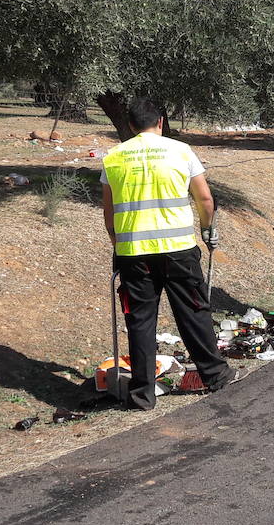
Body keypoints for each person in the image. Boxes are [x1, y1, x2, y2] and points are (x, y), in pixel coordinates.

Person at [102, 98, 243, 410]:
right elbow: (205, 198)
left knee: (139, 321)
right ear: (161, 123)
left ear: (130, 126)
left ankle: (142, 395)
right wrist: (208, 231)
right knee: (193, 312)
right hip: (178, 250)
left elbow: (109, 212)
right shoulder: (180, 151)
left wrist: (117, 244)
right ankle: (215, 375)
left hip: (134, 254)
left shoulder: (113, 157)